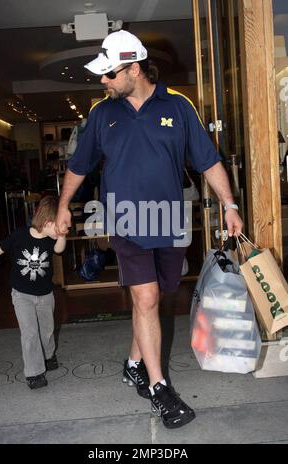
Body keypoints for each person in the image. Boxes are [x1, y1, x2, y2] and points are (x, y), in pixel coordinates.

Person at [55, 30, 243, 428]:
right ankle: (159, 389)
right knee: (147, 299)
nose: (102, 81)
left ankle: (134, 364)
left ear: (134, 69)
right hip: (125, 220)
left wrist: (229, 204)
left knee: (156, 300)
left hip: (170, 222)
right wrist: (62, 208)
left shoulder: (178, 107)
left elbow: (208, 161)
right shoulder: (103, 115)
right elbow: (79, 165)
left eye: (109, 74)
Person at [0, 196, 66, 389]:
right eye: (61, 225)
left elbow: (59, 250)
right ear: (48, 223)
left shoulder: (51, 238)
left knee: (47, 330)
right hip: (22, 295)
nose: (65, 228)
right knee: (30, 333)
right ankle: (34, 373)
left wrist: (62, 235)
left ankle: (48, 355)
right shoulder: (19, 235)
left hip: (46, 294)